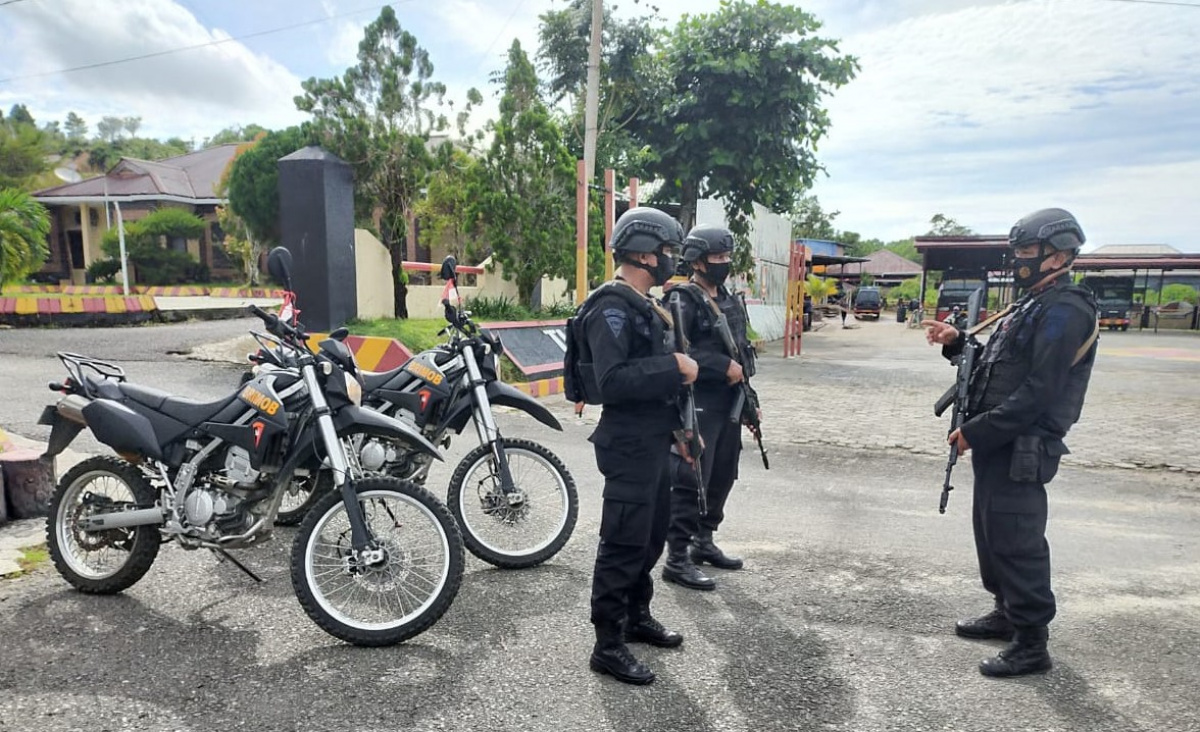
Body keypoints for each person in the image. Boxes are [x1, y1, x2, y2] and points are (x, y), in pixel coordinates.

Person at [921, 208, 1099, 677]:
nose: (1018, 260)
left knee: (1018, 539)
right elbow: (998, 367)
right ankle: (1007, 611)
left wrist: (975, 431)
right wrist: (958, 342)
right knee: (992, 531)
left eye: (1026, 252)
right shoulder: (1034, 303)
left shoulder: (1065, 310)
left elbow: (1040, 392)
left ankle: (1031, 642)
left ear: (1058, 254)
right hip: (1000, 440)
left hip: (1023, 444)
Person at [573, 206, 699, 685]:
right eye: (666, 251)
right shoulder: (611, 308)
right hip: (627, 444)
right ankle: (607, 644)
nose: (670, 260)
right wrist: (677, 367)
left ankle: (636, 616)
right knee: (623, 542)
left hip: (656, 439)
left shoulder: (649, 304)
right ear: (644, 252)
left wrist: (685, 433)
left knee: (650, 536)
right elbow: (613, 380)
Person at [661, 224, 755, 592]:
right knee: (690, 480)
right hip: (698, 401)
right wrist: (720, 368)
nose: (724, 263)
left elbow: (741, 350)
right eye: (717, 258)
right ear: (697, 261)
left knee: (723, 474)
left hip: (730, 402)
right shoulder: (682, 300)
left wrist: (749, 401)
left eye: (727, 258)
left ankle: (704, 540)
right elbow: (679, 351)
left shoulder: (729, 297)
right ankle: (677, 558)